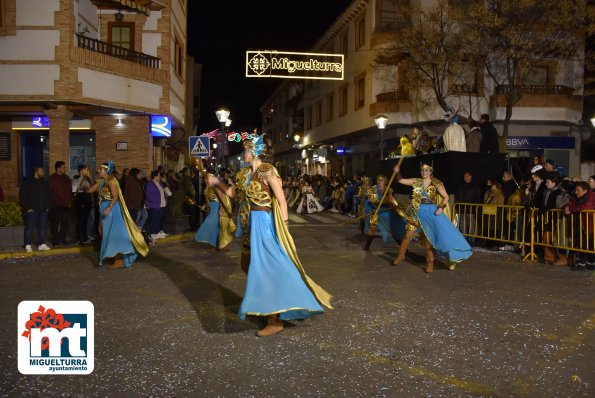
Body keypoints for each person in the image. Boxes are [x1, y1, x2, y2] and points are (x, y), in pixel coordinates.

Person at [223, 134, 332, 337]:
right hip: (249, 224)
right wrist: (214, 183)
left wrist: (283, 226)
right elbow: (232, 194)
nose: (243, 154)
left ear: (253, 152)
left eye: (246, 150)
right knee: (246, 265)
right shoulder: (242, 174)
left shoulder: (267, 171)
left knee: (265, 269)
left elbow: (282, 200)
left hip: (264, 223)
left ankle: (275, 319)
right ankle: (265, 300)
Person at [392, 162, 472, 272]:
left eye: (426, 170)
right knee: (407, 236)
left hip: (429, 212)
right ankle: (401, 255)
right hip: (416, 211)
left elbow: (446, 197)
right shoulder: (417, 181)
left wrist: (441, 207)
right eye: (422, 170)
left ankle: (430, 262)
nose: (424, 172)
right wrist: (398, 172)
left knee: (428, 240)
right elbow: (401, 180)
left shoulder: (436, 183)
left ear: (430, 171)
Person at [87, 161, 148, 269]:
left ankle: (120, 259)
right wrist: (87, 178)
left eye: (101, 169)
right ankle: (114, 255)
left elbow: (115, 196)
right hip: (103, 208)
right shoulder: (101, 181)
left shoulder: (111, 180)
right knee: (103, 232)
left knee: (112, 233)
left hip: (111, 209)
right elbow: (90, 190)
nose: (98, 171)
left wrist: (109, 208)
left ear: (106, 170)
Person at [195, 168, 235, 252]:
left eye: (208, 179)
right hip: (212, 210)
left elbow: (222, 199)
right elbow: (209, 199)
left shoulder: (216, 188)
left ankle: (217, 246)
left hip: (217, 209)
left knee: (215, 226)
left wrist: (221, 210)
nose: (206, 181)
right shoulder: (207, 189)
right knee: (214, 227)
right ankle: (217, 245)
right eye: (206, 179)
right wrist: (204, 206)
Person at [363, 174, 406, 251]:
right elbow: (371, 200)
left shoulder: (388, 189)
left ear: (385, 182)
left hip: (385, 211)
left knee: (392, 229)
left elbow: (391, 200)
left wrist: (391, 199)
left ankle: (404, 248)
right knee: (372, 228)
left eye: (381, 180)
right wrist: (374, 201)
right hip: (375, 211)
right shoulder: (373, 189)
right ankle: (367, 246)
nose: (379, 182)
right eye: (378, 180)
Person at [19, 166, 52, 252]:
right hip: (31, 210)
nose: (43, 173)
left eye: (43, 171)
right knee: (29, 228)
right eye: (42, 171)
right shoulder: (28, 182)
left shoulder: (44, 182)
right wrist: (27, 208)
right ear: (36, 171)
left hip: (43, 210)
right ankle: (28, 244)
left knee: (41, 228)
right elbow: (22, 196)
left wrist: (48, 207)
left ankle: (41, 244)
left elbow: (49, 196)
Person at [47, 160, 72, 246]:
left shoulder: (66, 178)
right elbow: (49, 192)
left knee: (65, 223)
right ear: (58, 168)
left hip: (66, 205)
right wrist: (53, 201)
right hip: (56, 205)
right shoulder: (52, 178)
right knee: (55, 223)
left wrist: (69, 202)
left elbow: (70, 190)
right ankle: (55, 241)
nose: (65, 169)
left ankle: (62, 239)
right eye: (63, 167)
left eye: (65, 167)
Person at [455, 171, 482, 244]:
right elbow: (457, 198)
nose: (465, 178)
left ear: (470, 177)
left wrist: (474, 207)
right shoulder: (460, 187)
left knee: (471, 228)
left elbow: (478, 198)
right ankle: (463, 242)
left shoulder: (476, 187)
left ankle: (471, 242)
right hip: (462, 210)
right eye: (464, 176)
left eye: (467, 176)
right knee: (462, 228)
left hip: (471, 211)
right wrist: (458, 207)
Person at [74, 165, 93, 245]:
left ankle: (85, 237)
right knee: (80, 220)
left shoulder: (88, 179)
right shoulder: (76, 178)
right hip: (80, 199)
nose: (87, 171)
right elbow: (74, 189)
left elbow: (90, 189)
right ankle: (78, 238)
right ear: (81, 171)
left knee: (85, 220)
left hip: (88, 200)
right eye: (86, 170)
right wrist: (82, 187)